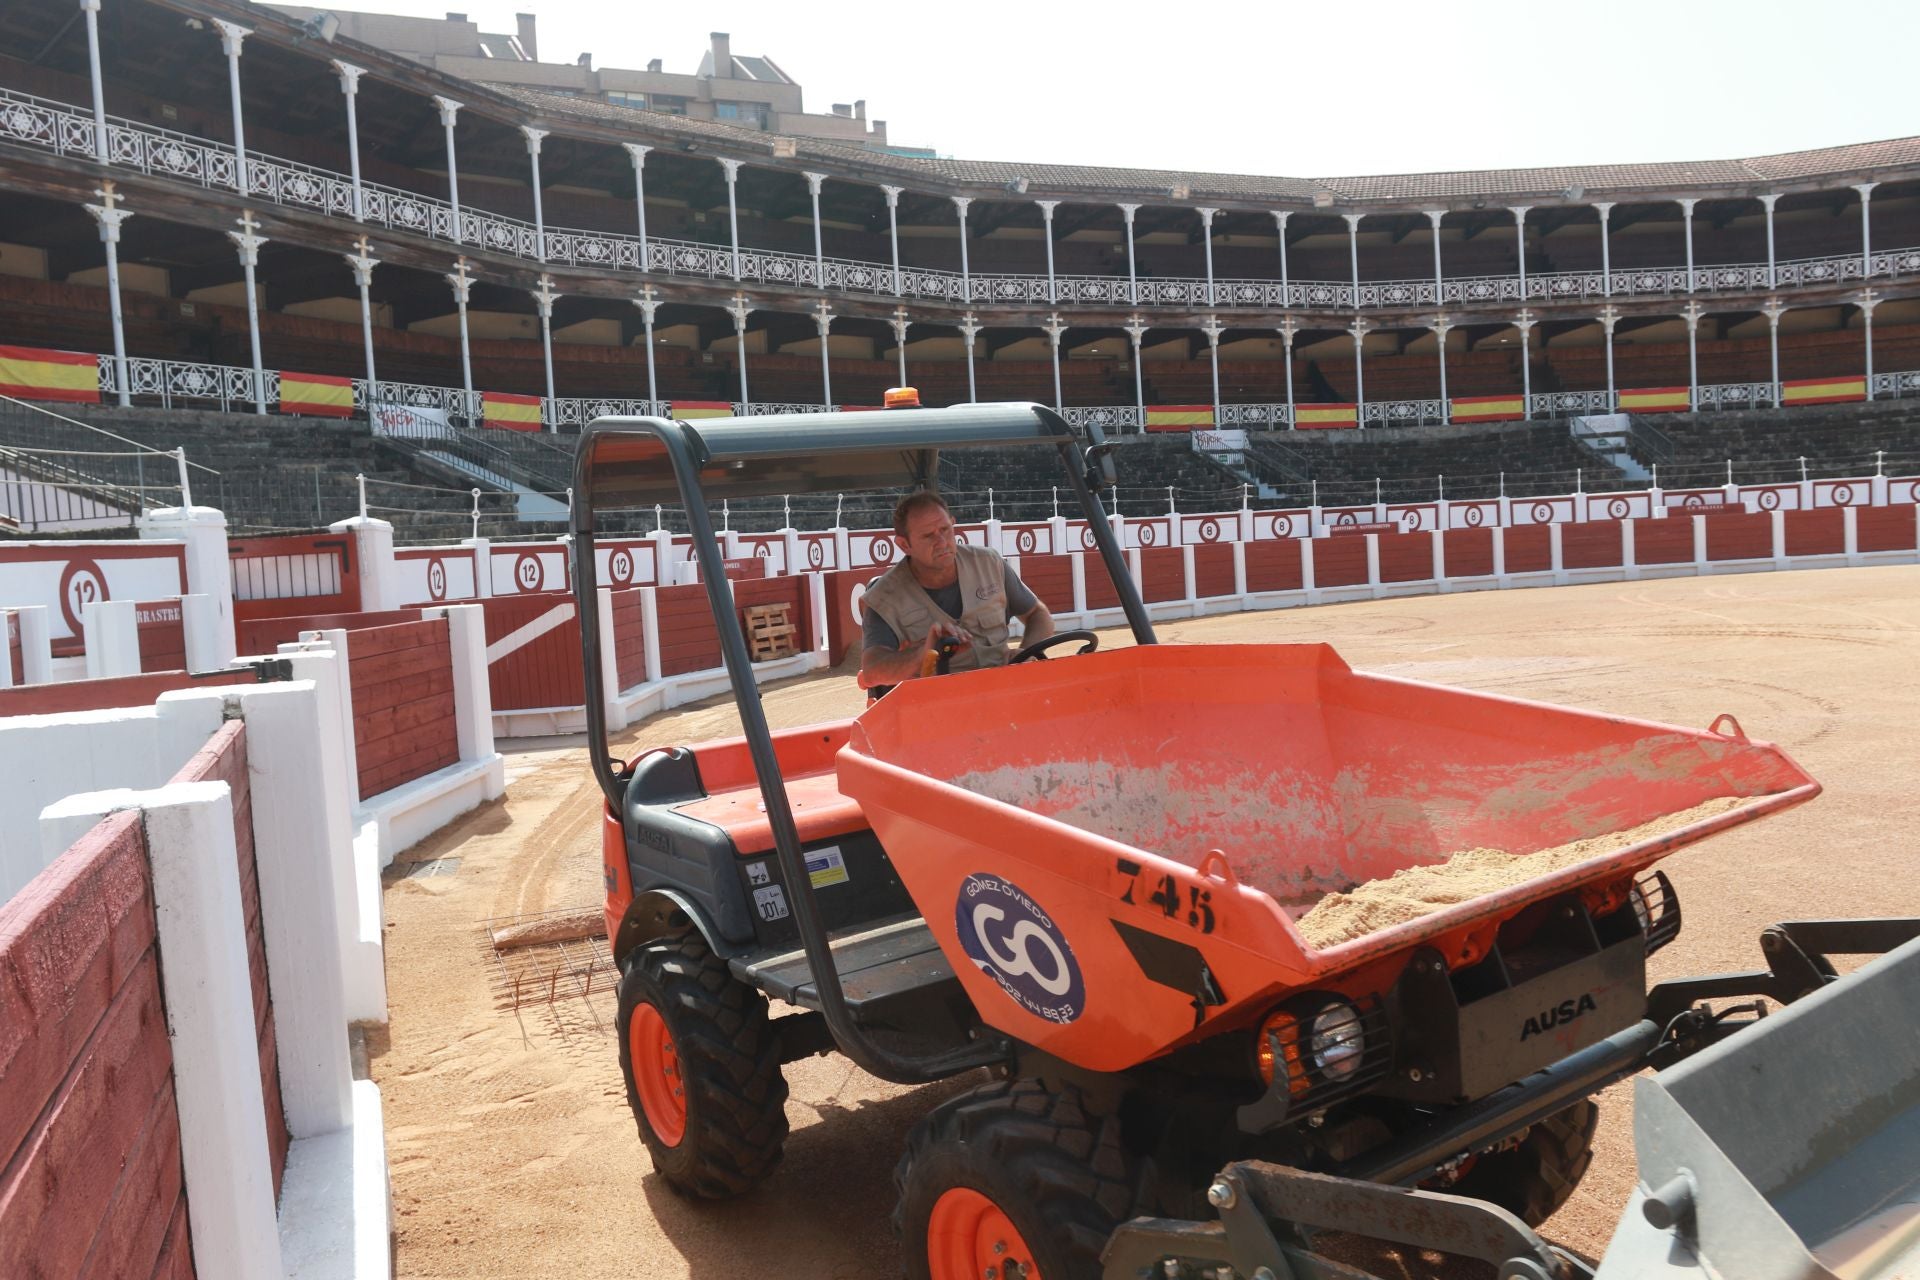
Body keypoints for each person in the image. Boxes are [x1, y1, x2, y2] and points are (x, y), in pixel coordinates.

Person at [857, 491, 1053, 691]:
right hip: (937, 701)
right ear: (904, 544)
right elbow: (872, 670)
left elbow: (1038, 614)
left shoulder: (988, 563)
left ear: (953, 523)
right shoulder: (883, 598)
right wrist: (923, 653)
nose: (942, 542)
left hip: (1005, 690)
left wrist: (1025, 654)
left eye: (945, 529)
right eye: (928, 536)